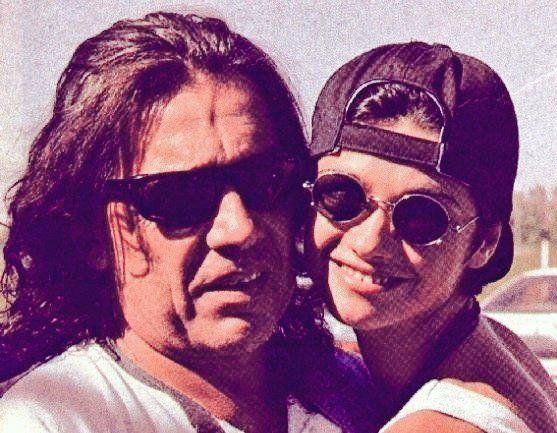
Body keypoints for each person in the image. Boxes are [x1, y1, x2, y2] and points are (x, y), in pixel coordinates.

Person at [0, 11, 387, 433]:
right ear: (91, 235)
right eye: (180, 197)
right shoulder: (55, 420)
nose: (239, 228)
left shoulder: (362, 393)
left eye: (264, 181)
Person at [305, 41, 557, 433]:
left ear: (484, 242)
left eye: (421, 217)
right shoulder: (492, 349)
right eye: (341, 195)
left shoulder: (445, 421)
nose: (369, 241)